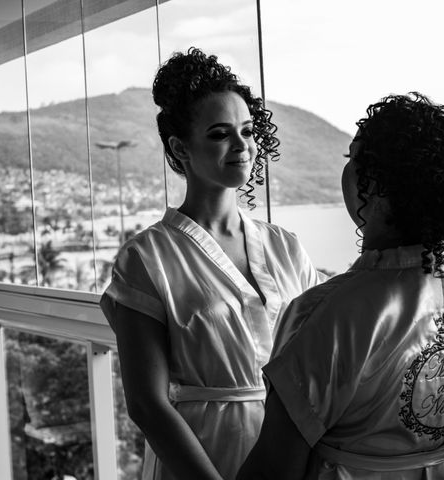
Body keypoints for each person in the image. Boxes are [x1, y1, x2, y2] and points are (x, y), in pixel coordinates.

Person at [237, 92, 444, 480]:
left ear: (376, 187)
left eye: (352, 160)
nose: (347, 172)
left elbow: (274, 467)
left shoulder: (327, 314)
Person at [99, 47, 326, 480]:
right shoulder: (147, 259)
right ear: (180, 148)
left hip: (293, 451)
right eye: (220, 134)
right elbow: (146, 404)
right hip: (203, 454)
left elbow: (323, 353)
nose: (242, 145)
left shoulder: (285, 247)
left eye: (246, 130)